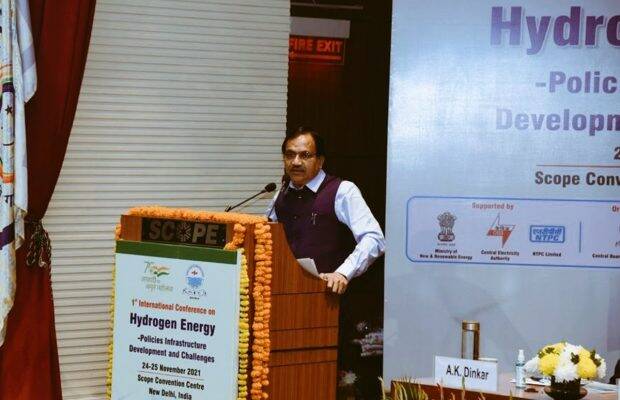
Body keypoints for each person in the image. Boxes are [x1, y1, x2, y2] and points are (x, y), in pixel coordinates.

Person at [266, 126, 385, 294]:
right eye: (290, 155)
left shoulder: (342, 191)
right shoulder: (281, 194)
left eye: (305, 155)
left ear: (320, 161)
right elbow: (265, 236)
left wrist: (343, 272)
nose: (296, 162)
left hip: (330, 297)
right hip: (287, 293)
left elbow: (374, 239)